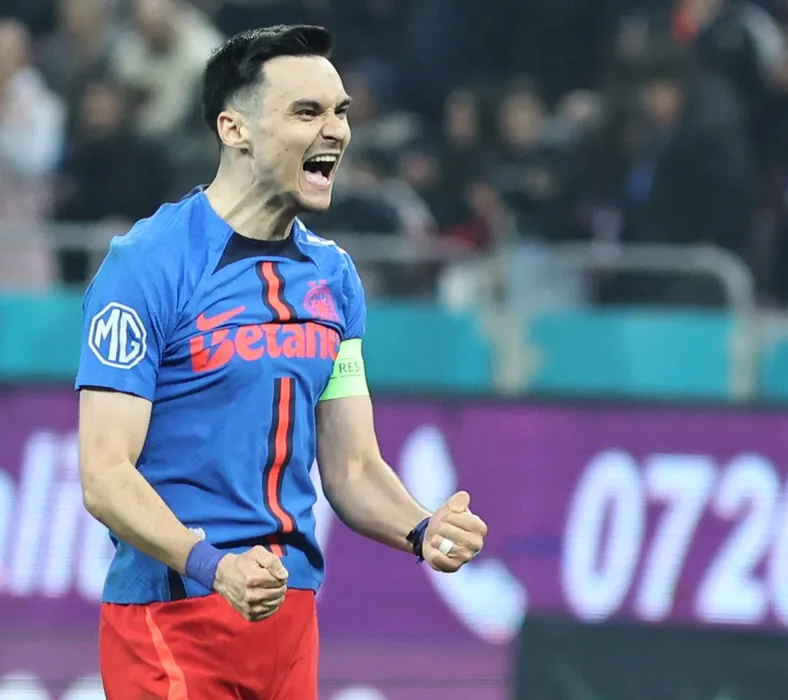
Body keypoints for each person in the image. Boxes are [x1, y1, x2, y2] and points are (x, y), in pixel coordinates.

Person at [75, 24, 489, 698]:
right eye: (306, 112)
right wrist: (213, 565)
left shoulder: (334, 277)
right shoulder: (146, 265)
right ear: (234, 129)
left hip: (289, 623)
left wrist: (421, 528)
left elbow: (352, 467)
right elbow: (104, 475)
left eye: (340, 112)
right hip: (174, 616)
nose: (336, 131)